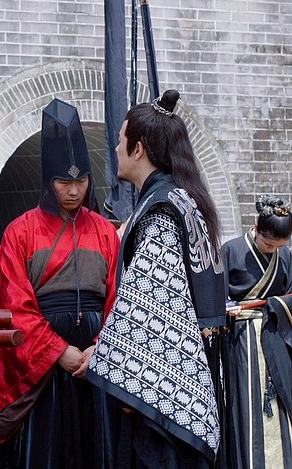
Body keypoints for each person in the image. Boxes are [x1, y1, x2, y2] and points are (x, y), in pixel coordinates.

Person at [0, 98, 120, 468]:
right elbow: (14, 305)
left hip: (95, 353)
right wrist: (58, 351)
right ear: (47, 180)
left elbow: (117, 299)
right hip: (42, 359)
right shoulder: (20, 231)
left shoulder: (105, 232)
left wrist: (100, 347)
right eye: (63, 182)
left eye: (81, 181)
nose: (73, 191)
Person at [87, 90, 227, 468]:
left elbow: (153, 304)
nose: (116, 148)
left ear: (138, 149)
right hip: (199, 375)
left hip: (166, 398)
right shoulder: (186, 199)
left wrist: (126, 371)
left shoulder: (162, 209)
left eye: (120, 140)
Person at [222, 195, 292, 469]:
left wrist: (275, 304)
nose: (274, 250)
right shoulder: (231, 250)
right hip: (243, 338)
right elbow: (217, 297)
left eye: (279, 246)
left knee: (281, 402)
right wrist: (226, 308)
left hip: (275, 334)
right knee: (247, 402)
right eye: (268, 244)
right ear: (255, 228)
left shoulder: (285, 256)